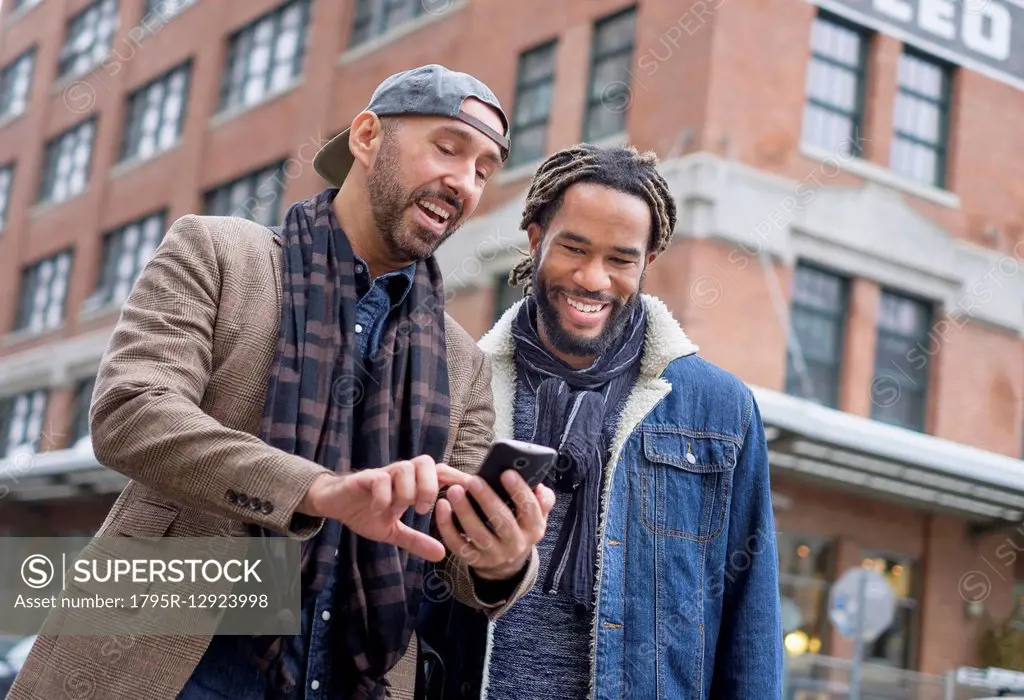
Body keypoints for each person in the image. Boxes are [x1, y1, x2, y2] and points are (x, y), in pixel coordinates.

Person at [9, 65, 554, 700]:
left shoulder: (463, 362)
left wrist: (503, 557)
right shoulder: (217, 252)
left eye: (484, 170)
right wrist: (318, 491)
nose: (463, 181)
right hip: (157, 661)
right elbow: (133, 413)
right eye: (447, 147)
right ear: (368, 136)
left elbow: (453, 563)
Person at [417, 143, 784, 699]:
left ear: (647, 263)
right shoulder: (456, 382)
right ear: (536, 240)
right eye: (574, 248)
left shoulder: (719, 408)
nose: (593, 279)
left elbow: (750, 618)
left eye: (620, 259)